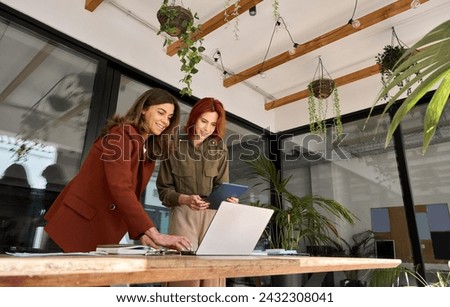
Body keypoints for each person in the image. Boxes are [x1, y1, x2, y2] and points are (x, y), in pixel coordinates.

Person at [44, 88, 191, 253]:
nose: (165, 121)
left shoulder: (147, 152)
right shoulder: (120, 136)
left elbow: (129, 196)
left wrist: (142, 232)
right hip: (75, 225)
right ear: (143, 109)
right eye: (161, 113)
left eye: (169, 117)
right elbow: (120, 187)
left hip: (100, 229)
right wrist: (154, 233)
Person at [156, 97, 237, 287]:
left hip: (212, 217)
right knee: (185, 277)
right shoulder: (173, 145)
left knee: (212, 277)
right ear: (194, 118)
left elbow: (221, 185)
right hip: (184, 215)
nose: (207, 128)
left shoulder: (219, 148)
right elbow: (163, 190)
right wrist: (184, 198)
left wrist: (229, 199)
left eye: (213, 124)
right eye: (204, 121)